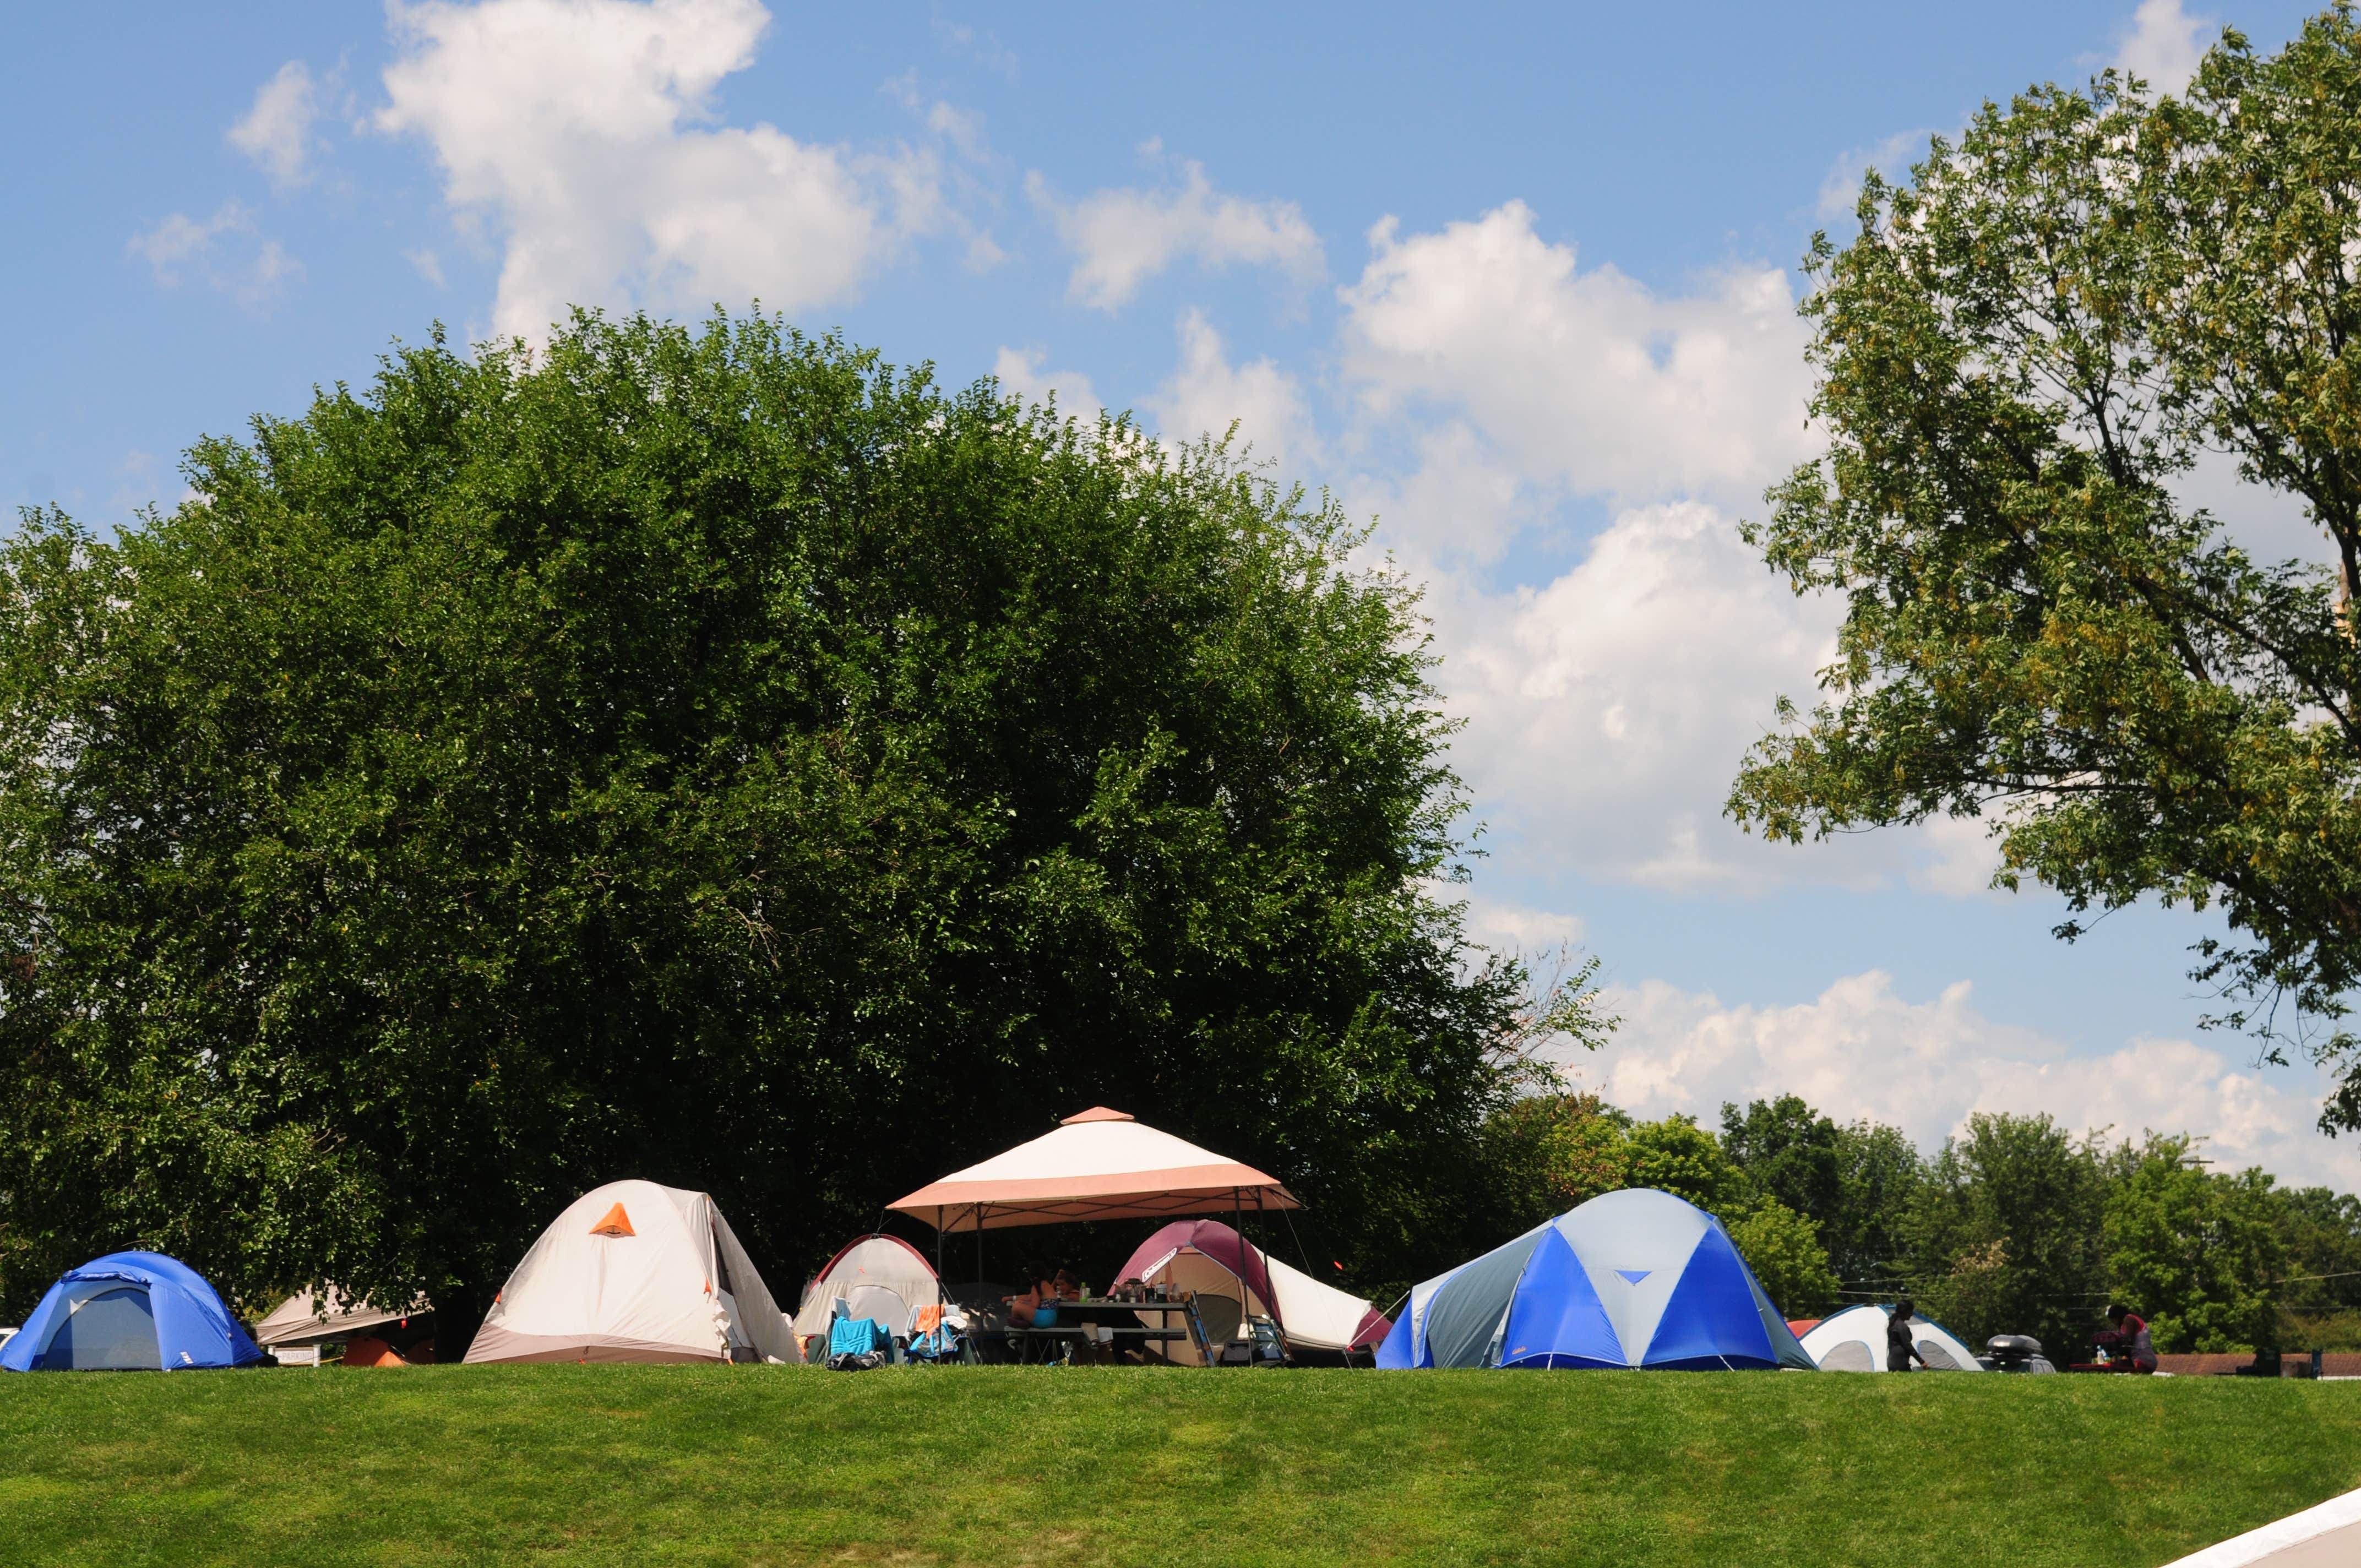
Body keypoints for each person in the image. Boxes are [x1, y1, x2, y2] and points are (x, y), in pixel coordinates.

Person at [2097, 1303, 2158, 1374]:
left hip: (2142, 1360)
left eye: (2114, 1320)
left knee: (2113, 1368)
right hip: (2140, 1358)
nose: (2114, 1323)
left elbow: (2127, 1340)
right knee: (2113, 1367)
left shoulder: (2129, 1319)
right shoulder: (2128, 1322)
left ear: (2117, 1316)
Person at [1887, 1299, 1929, 1372]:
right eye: (1911, 1311)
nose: (1912, 1314)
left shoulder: (1893, 1324)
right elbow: (1908, 1346)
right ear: (1905, 1311)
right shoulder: (1902, 1326)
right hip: (1900, 1363)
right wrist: (1922, 1362)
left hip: (1892, 1362)